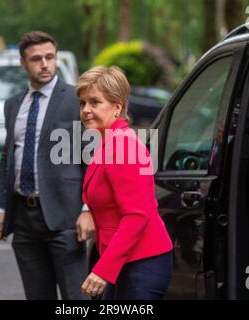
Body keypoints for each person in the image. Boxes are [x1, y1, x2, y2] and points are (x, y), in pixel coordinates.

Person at [0, 31, 94, 300]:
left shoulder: (77, 100)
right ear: (23, 63)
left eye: (50, 57)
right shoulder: (13, 105)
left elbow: (92, 159)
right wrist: (1, 208)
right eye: (36, 59)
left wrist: (87, 209)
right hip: (24, 219)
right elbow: (7, 159)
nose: (45, 64)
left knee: (76, 299)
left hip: (66, 218)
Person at [76, 66, 173, 300]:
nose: (86, 110)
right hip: (123, 261)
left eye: (95, 102)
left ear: (117, 107)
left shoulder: (123, 146)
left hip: (140, 263)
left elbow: (137, 216)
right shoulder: (108, 141)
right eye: (82, 103)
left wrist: (102, 270)